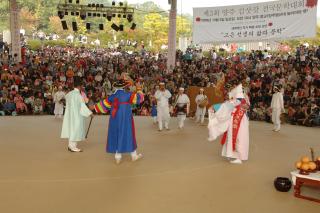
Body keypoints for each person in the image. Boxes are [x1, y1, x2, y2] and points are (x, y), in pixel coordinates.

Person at [93, 80, 144, 164]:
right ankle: (134, 155)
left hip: (115, 118)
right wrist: (138, 88)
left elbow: (104, 105)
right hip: (125, 118)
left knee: (116, 133)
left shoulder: (112, 96)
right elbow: (139, 98)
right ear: (124, 87)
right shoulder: (128, 95)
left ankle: (118, 156)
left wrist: (94, 108)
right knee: (128, 133)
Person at [61, 77, 93, 152]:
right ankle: (72, 147)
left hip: (70, 115)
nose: (82, 87)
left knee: (71, 129)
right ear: (79, 86)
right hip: (76, 115)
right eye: (82, 86)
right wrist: (90, 113)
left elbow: (65, 102)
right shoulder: (78, 95)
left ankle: (70, 145)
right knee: (75, 130)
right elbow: (82, 106)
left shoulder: (69, 94)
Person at [221, 83, 250, 164]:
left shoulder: (244, 97)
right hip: (232, 117)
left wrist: (241, 104)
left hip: (240, 119)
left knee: (239, 137)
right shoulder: (233, 97)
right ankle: (230, 154)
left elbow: (247, 106)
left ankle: (239, 157)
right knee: (230, 136)